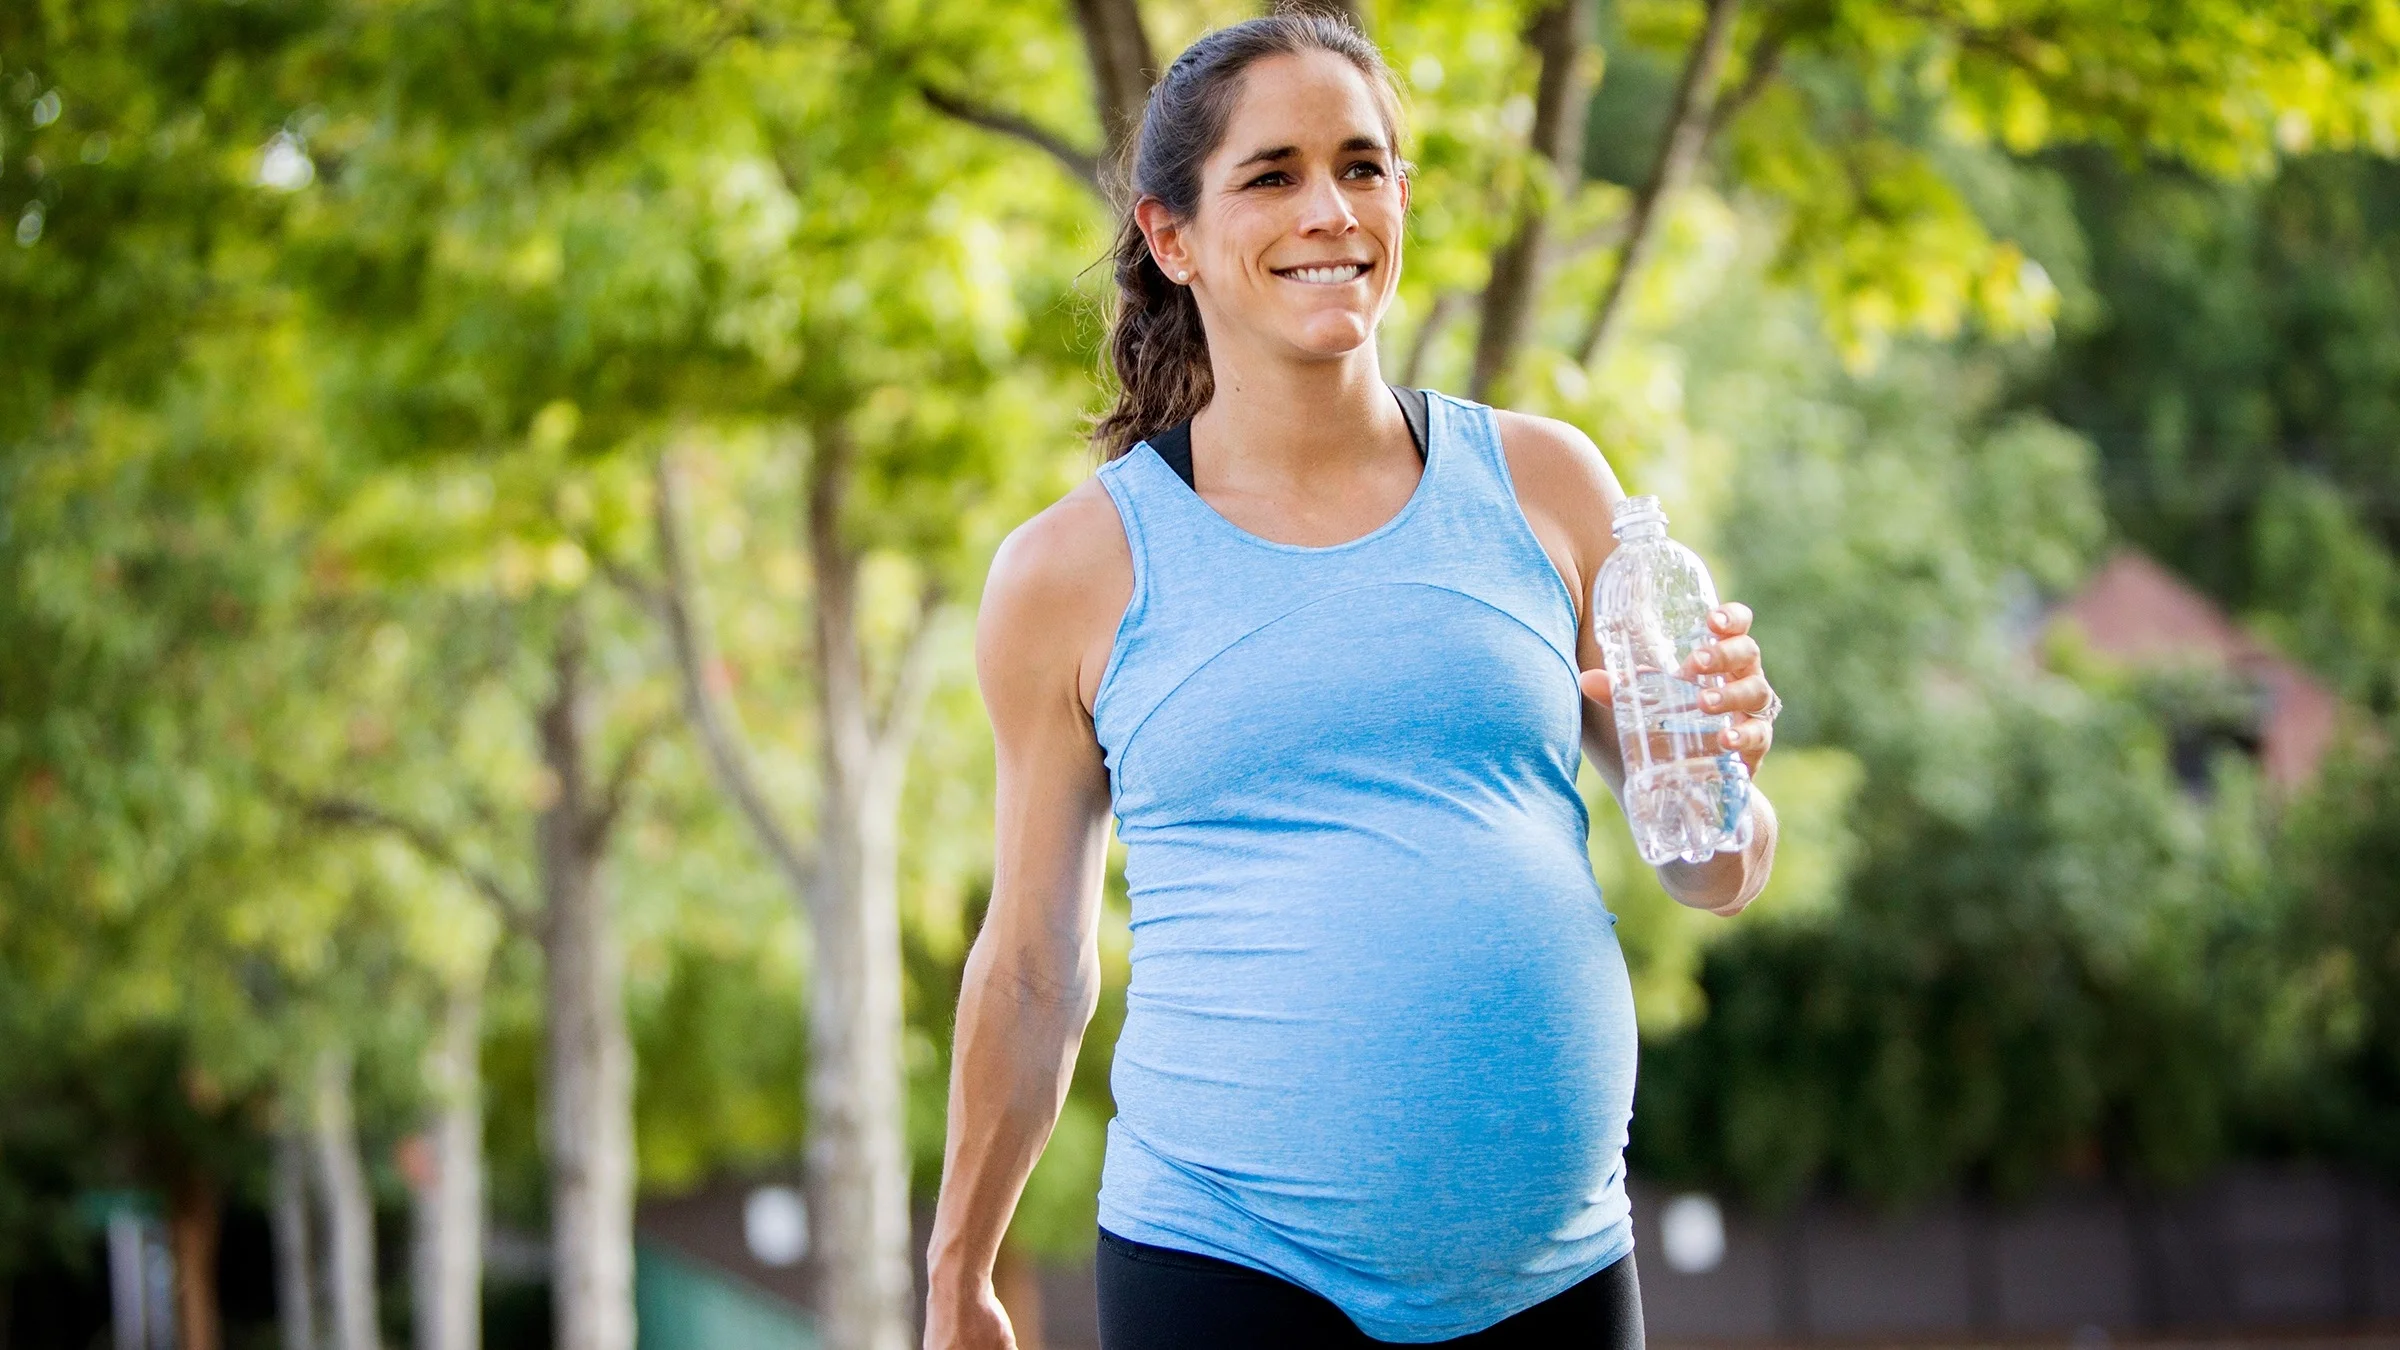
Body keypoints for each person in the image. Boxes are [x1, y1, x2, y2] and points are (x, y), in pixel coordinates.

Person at [924, 14, 1781, 1349]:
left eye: (1365, 165)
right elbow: (1033, 966)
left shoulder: (1553, 485)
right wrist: (958, 1270)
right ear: (1173, 236)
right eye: (1272, 174)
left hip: (1555, 1273)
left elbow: (1714, 873)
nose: (1331, 207)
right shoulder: (1071, 573)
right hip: (1227, 1266)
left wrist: (1717, 771)